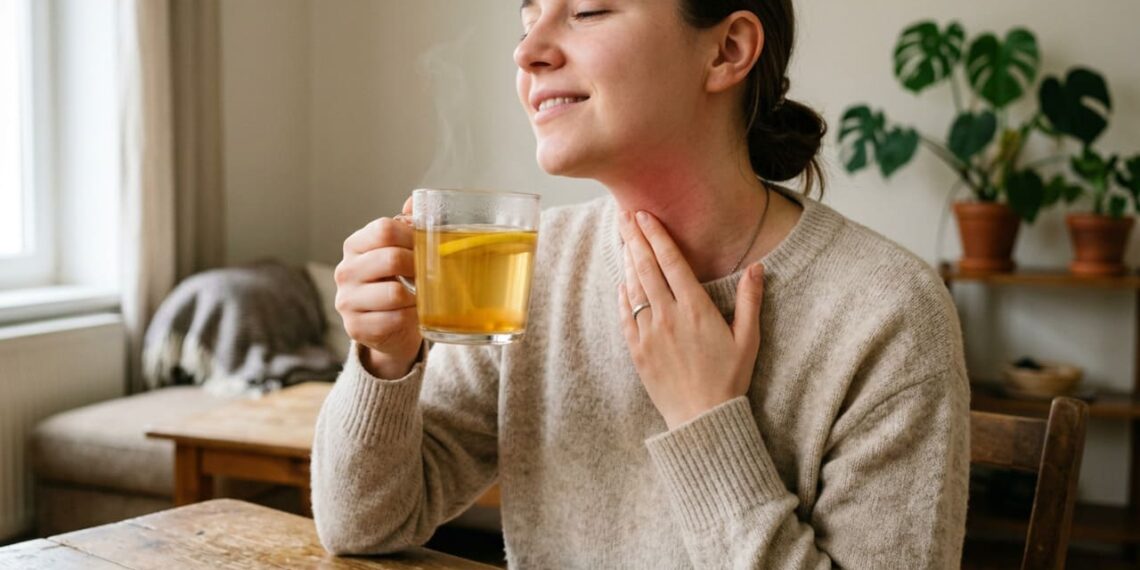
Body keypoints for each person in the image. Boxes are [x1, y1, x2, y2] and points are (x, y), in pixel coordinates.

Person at [312, 0, 969, 567]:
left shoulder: (889, 314)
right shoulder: (534, 271)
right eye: (527, 18)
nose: (530, 53)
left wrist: (707, 422)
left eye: (589, 10)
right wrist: (384, 362)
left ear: (727, 50)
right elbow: (365, 527)